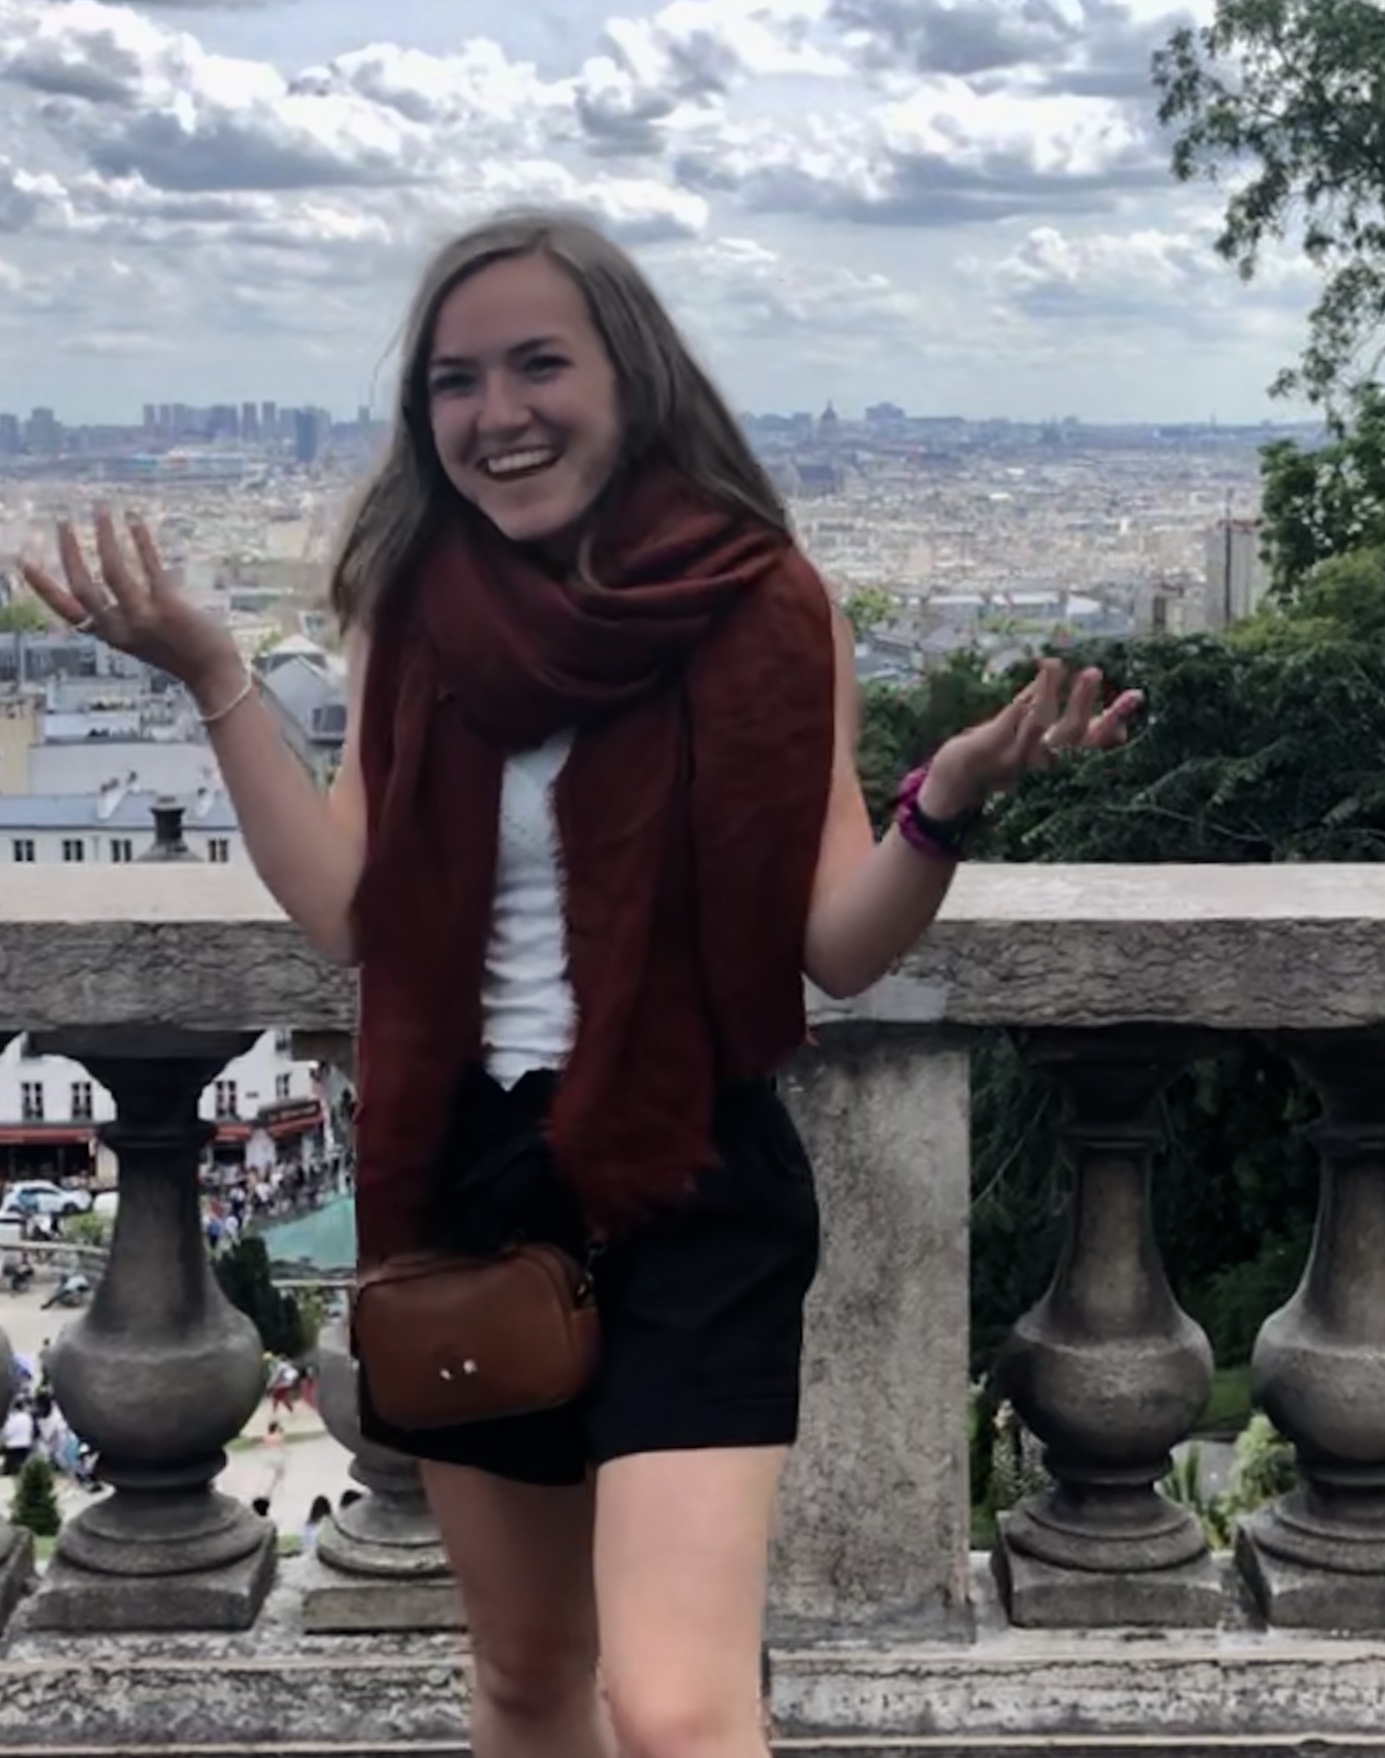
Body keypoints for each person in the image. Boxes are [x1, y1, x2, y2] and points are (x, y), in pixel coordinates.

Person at [17, 208, 1138, 1758]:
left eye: (538, 363)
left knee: (674, 1704)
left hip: (690, 1165)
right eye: (456, 380)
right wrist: (219, 678)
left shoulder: (768, 604)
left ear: (630, 373)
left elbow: (835, 943)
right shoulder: (412, 609)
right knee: (529, 1675)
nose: (498, 412)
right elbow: (350, 908)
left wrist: (941, 803)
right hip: (469, 1175)